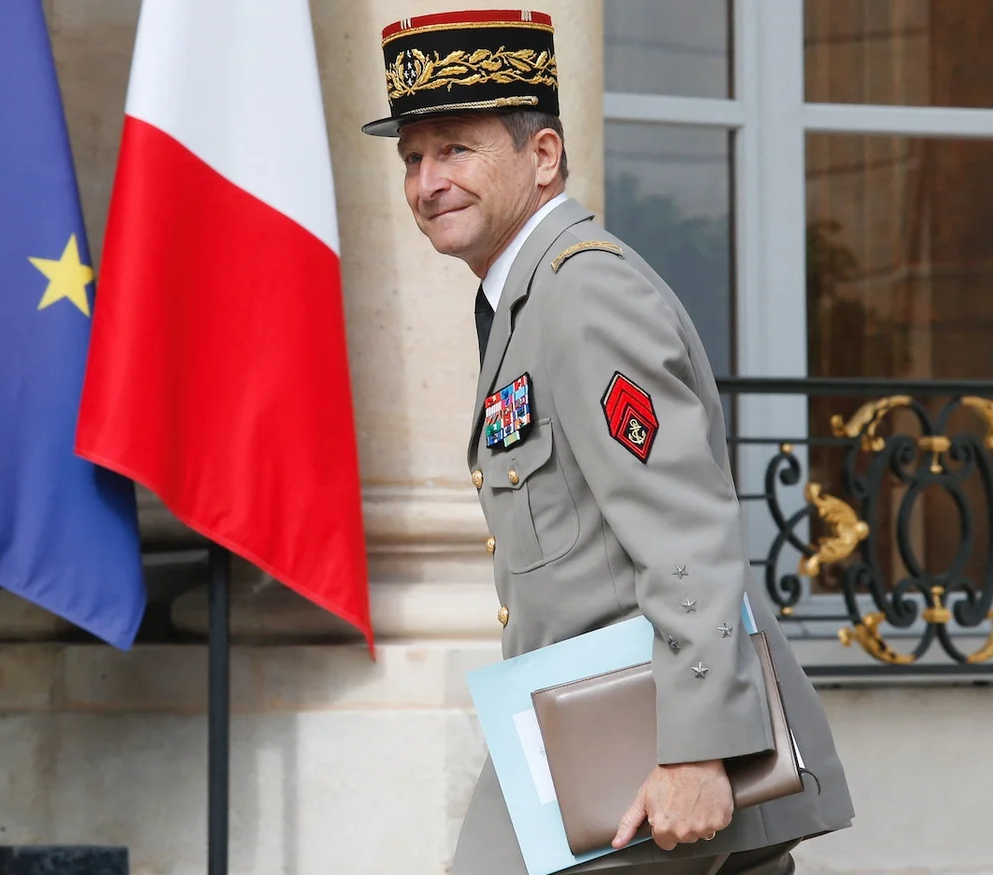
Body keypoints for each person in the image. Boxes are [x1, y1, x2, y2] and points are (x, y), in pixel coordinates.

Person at [362, 10, 855, 874]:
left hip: (646, 745)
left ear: (544, 155)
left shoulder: (583, 293)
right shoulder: (526, 300)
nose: (428, 181)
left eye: (456, 150)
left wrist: (698, 752)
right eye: (413, 157)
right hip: (589, 731)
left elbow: (685, 526)